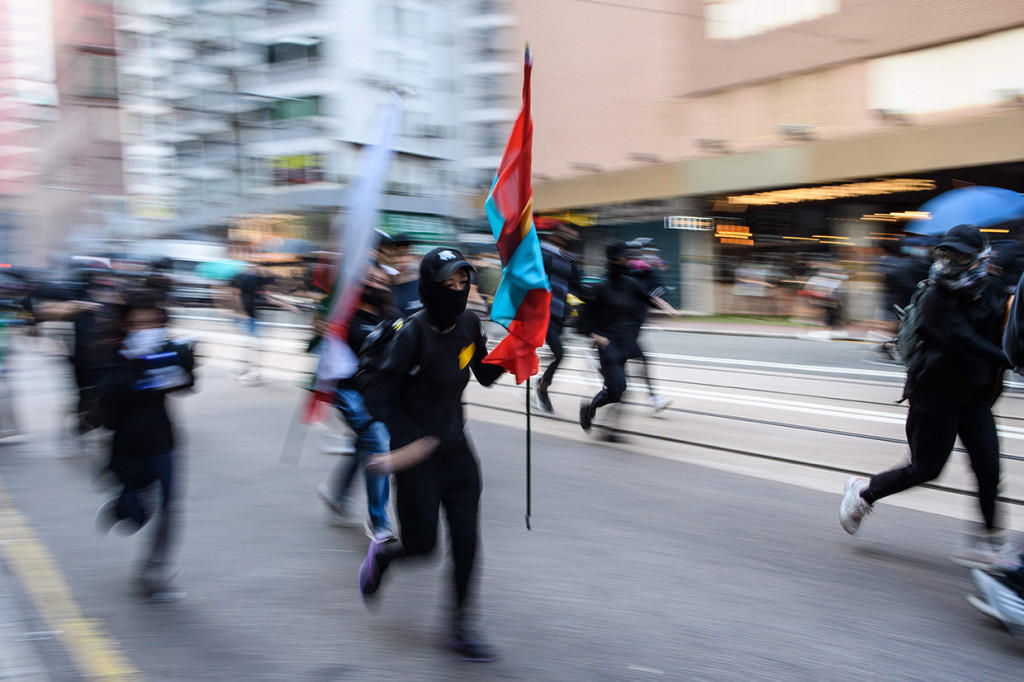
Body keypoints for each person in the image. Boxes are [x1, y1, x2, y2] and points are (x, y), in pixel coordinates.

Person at [839, 225, 1016, 569]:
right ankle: (864, 493)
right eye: (947, 254)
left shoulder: (993, 289)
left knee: (989, 469)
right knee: (926, 469)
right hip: (934, 395)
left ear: (981, 258)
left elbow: (1005, 332)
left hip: (974, 396)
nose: (951, 262)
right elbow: (964, 340)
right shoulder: (936, 296)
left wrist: (1012, 351)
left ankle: (988, 542)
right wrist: (1010, 359)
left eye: (961, 256)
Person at [360, 247, 505, 662]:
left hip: (459, 453)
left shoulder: (470, 323)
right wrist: (412, 443)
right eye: (448, 284)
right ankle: (385, 555)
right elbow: (378, 397)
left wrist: (518, 352)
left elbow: (484, 372)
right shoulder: (412, 333)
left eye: (463, 283)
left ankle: (460, 625)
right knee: (423, 546)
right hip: (416, 457)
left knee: (467, 542)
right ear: (429, 286)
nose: (458, 291)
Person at [94, 289, 196, 601]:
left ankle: (153, 572)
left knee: (169, 508)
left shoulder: (166, 348)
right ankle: (122, 508)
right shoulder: (115, 353)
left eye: (152, 323)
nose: (145, 330)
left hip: (164, 441)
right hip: (127, 445)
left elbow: (185, 385)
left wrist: (185, 363)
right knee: (136, 514)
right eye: (138, 324)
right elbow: (106, 400)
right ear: (126, 325)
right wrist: (136, 370)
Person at [316, 262, 396, 540]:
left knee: (364, 444)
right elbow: (320, 346)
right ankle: (378, 522)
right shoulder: (345, 317)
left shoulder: (392, 316)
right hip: (349, 392)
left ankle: (337, 493)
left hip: (379, 396)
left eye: (382, 281)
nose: (377, 284)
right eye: (370, 279)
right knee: (378, 443)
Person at [578, 241, 678, 440]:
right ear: (613, 260)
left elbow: (647, 298)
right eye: (623, 258)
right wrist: (595, 336)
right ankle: (589, 409)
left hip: (627, 341)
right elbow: (581, 320)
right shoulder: (601, 288)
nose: (627, 261)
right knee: (617, 389)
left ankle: (610, 430)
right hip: (608, 344)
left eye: (627, 258)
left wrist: (665, 306)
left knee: (624, 389)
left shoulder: (630, 283)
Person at [535, 224, 583, 415]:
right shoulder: (538, 252)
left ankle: (541, 381)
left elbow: (578, 286)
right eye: (564, 234)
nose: (568, 238)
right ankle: (541, 389)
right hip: (541, 312)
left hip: (559, 314)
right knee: (560, 354)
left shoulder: (569, 260)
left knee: (557, 354)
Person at [625, 239, 672, 413]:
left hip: (635, 324)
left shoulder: (648, 272)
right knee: (639, 362)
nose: (645, 256)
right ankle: (654, 399)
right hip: (621, 326)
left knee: (638, 362)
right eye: (639, 253)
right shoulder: (625, 271)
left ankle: (654, 399)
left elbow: (659, 290)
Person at [387, 234, 423, 317]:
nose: (404, 259)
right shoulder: (385, 290)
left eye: (407, 253)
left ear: (414, 256)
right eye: (399, 255)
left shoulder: (425, 286)